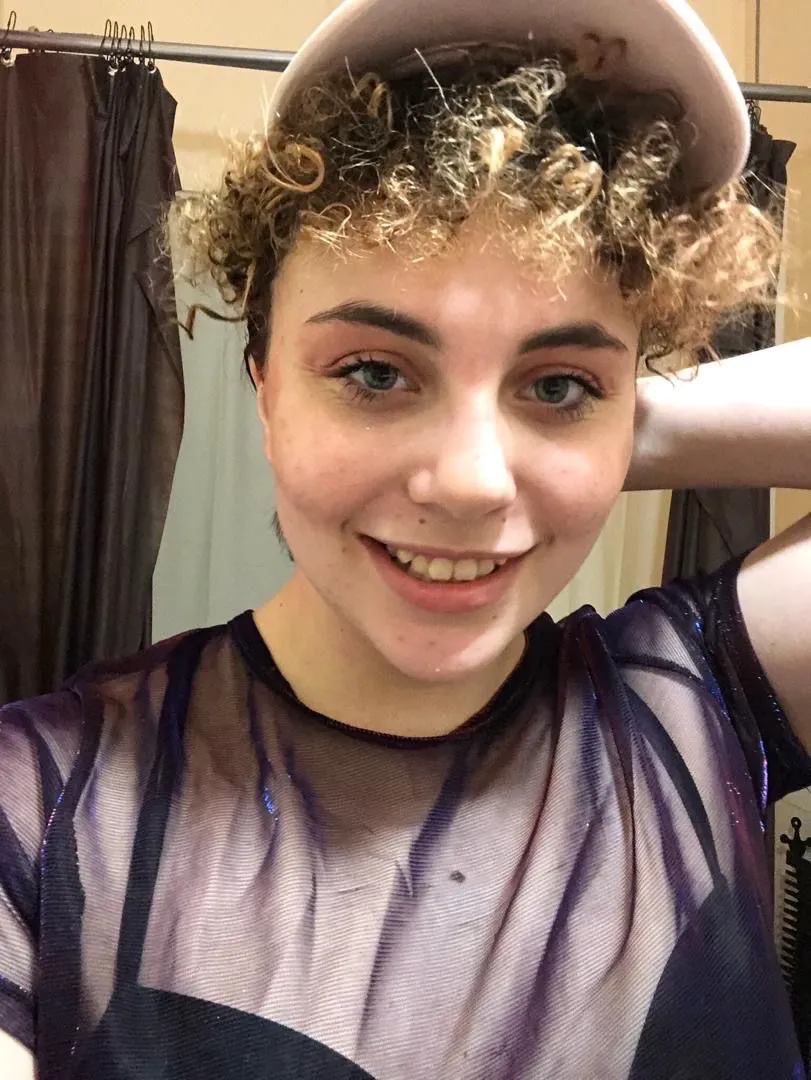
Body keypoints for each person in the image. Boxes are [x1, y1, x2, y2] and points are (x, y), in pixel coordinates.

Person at [1, 0, 810, 1076]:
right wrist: (572, 413)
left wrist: (616, 424)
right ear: (263, 389)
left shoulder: (701, 692)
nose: (470, 483)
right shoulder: (39, 811)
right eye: (375, 372)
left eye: (558, 384)